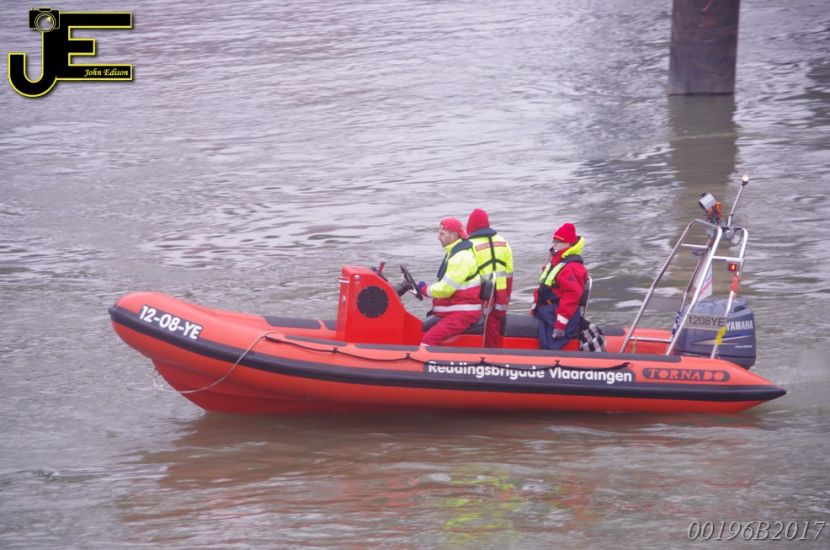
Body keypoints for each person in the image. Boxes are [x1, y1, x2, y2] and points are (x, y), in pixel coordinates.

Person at [418, 218, 482, 346]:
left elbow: (445, 289)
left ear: (454, 235)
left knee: (427, 341)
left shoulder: (461, 257)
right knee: (419, 330)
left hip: (462, 314)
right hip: (454, 311)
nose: (438, 237)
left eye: (442, 234)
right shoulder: (454, 252)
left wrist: (424, 290)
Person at [532, 223, 588, 350]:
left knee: (549, 345)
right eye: (554, 241)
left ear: (569, 244)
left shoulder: (572, 267)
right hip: (549, 310)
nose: (555, 244)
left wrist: (560, 325)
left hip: (561, 315)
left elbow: (570, 298)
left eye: (559, 242)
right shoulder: (556, 261)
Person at [466, 208, 514, 347]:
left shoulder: (469, 245)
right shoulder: (504, 242)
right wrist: (506, 296)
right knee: (494, 329)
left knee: (478, 330)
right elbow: (509, 273)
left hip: (480, 297)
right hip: (501, 296)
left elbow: (466, 274)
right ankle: (495, 355)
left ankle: (481, 356)